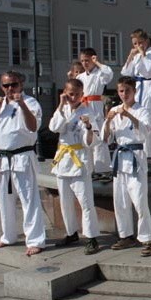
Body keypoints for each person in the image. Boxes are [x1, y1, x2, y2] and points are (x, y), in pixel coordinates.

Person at [0, 71, 45, 256]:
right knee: (4, 200)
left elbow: (33, 127)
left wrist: (21, 104)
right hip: (2, 159)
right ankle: (8, 236)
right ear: (2, 87)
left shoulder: (31, 102)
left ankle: (35, 240)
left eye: (13, 85)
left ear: (21, 84)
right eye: (6, 85)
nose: (10, 89)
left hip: (22, 157)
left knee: (29, 200)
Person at [102, 77, 151, 256]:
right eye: (121, 91)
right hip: (119, 158)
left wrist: (130, 116)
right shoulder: (115, 110)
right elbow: (106, 138)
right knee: (120, 201)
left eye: (127, 91)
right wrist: (108, 121)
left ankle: (147, 239)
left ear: (134, 91)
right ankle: (126, 236)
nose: (124, 94)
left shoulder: (143, 110)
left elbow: (146, 132)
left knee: (139, 201)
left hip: (136, 158)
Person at [49, 79, 101, 255]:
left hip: (79, 161)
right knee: (65, 201)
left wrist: (87, 126)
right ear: (65, 92)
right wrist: (61, 105)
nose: (73, 97)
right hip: (63, 160)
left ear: (82, 94)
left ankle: (92, 238)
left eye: (77, 94)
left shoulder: (88, 112)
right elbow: (54, 128)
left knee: (86, 202)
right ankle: (71, 233)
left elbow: (93, 141)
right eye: (70, 94)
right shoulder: (62, 109)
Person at [121, 29, 151, 176]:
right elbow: (125, 73)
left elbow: (148, 72)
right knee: (136, 120)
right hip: (138, 89)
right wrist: (130, 57)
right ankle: (138, 154)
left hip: (149, 90)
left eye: (140, 43)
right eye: (135, 44)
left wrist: (143, 54)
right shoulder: (136, 56)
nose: (138, 46)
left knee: (148, 123)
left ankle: (150, 158)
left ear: (147, 42)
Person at [77, 48, 114, 176]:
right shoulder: (80, 77)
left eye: (87, 60)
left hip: (96, 106)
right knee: (86, 135)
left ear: (93, 59)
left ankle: (102, 169)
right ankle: (88, 168)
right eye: (82, 61)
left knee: (98, 135)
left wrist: (97, 62)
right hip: (83, 106)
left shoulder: (100, 74)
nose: (84, 63)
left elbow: (109, 74)